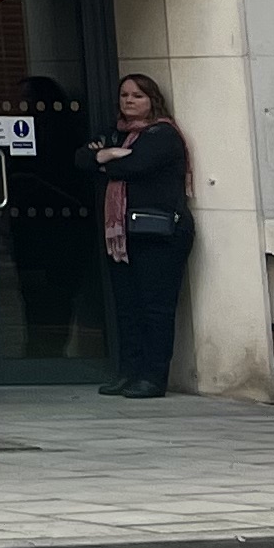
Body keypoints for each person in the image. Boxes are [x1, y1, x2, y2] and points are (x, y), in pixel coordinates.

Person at [82, 71, 192, 398]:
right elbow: (80, 158)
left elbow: (135, 166)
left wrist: (104, 160)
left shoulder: (163, 134)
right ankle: (128, 372)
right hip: (123, 236)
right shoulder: (114, 134)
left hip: (158, 234)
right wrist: (105, 155)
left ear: (152, 100)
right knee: (127, 306)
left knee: (155, 306)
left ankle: (153, 377)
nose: (129, 101)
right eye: (125, 95)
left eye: (137, 96)